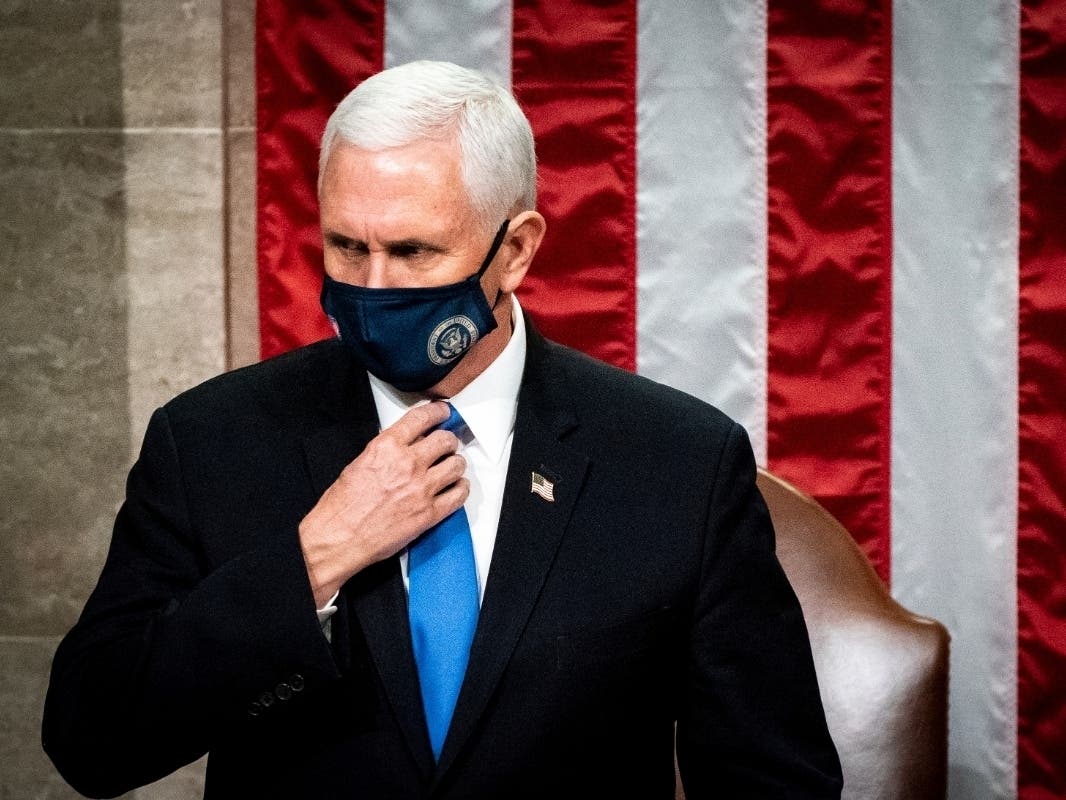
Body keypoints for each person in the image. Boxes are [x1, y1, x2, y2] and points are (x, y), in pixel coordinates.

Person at [43, 60, 842, 799]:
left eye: (412, 251)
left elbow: (773, 780)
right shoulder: (211, 442)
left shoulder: (679, 462)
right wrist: (315, 559)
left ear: (516, 250)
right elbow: (91, 741)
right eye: (345, 247)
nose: (372, 286)